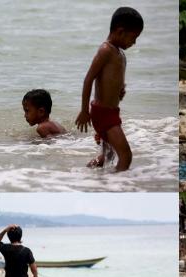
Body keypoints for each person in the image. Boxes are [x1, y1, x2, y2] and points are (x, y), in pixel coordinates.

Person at [75, 7, 143, 171]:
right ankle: (117, 186)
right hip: (103, 114)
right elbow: (88, 79)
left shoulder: (119, 53)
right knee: (126, 156)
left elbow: (110, 82)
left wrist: (119, 91)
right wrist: (84, 111)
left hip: (111, 111)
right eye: (133, 37)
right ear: (120, 31)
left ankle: (85, 174)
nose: (134, 42)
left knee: (108, 156)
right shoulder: (106, 50)